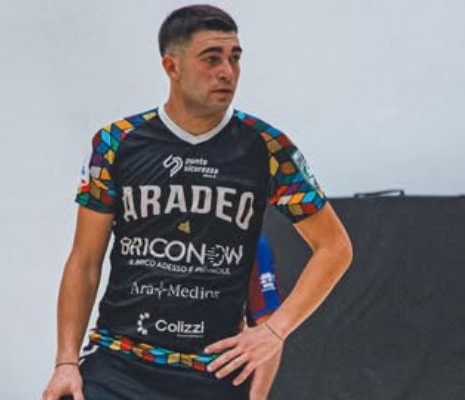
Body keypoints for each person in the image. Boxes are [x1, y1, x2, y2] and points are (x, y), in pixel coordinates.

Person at [41, 4, 352, 400]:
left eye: (234, 58)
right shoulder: (116, 142)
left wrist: (276, 331)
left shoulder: (268, 147)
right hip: (119, 363)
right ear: (172, 67)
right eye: (211, 58)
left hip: (212, 369)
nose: (227, 71)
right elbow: (85, 261)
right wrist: (66, 362)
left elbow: (335, 247)